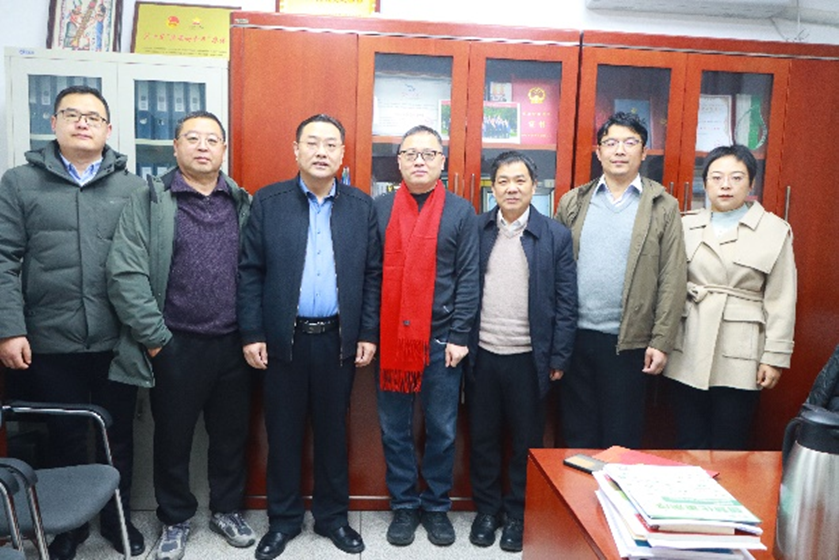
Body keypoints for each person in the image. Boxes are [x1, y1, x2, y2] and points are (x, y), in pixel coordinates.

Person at [0, 85, 145, 560]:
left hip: (116, 339)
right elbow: (4, 259)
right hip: (48, 337)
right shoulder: (19, 183)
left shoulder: (133, 187)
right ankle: (68, 526)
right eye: (72, 114)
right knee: (63, 436)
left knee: (116, 436)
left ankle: (118, 519)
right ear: (54, 123)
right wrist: (9, 328)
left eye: (93, 117)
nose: (83, 123)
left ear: (108, 128)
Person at [106, 110, 256, 560]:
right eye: (192, 138)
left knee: (231, 437)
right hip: (175, 343)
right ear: (175, 147)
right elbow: (125, 272)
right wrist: (155, 339)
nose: (203, 146)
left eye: (212, 139)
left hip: (234, 343)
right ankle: (174, 519)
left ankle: (227, 510)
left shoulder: (241, 202)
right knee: (172, 439)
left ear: (224, 149)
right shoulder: (151, 200)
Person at [238, 114, 381, 560]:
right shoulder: (269, 201)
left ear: (342, 154)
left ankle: (333, 518)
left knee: (333, 433)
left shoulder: (361, 206)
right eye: (313, 143)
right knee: (282, 433)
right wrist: (252, 332)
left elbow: (373, 275)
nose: (322, 152)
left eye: (331, 144)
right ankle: (283, 521)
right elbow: (250, 271)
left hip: (337, 339)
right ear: (296, 149)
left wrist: (367, 331)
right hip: (284, 340)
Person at [555, 111, 686, 449]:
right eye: (611, 142)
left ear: (644, 152)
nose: (619, 150)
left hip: (628, 342)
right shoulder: (574, 201)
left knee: (620, 437)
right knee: (577, 435)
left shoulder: (663, 206)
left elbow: (672, 276)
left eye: (630, 142)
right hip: (575, 338)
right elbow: (553, 270)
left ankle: (612, 488)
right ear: (598, 152)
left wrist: (661, 340)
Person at [467, 151, 577, 552]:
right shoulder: (477, 229)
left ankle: (517, 513)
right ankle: (487, 511)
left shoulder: (555, 235)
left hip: (530, 358)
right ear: (492, 187)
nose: (511, 188)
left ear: (534, 186)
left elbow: (567, 301)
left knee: (526, 442)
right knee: (482, 438)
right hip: (482, 354)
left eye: (519, 181)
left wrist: (559, 356)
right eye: (503, 181)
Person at [375, 125, 479, 548]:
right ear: (399, 161)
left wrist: (460, 335)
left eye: (429, 153)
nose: (419, 160)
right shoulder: (380, 209)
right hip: (391, 339)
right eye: (411, 153)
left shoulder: (460, 211)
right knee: (393, 428)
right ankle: (403, 505)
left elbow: (469, 277)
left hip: (442, 341)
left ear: (442, 162)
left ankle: (436, 507)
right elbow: (370, 276)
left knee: (442, 429)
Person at [664, 144, 796, 450]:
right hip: (689, 343)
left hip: (740, 351)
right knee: (688, 441)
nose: (725, 185)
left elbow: (781, 299)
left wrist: (774, 357)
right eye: (716, 177)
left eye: (736, 178)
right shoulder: (684, 225)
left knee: (729, 445)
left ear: (751, 184)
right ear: (705, 183)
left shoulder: (774, 230)